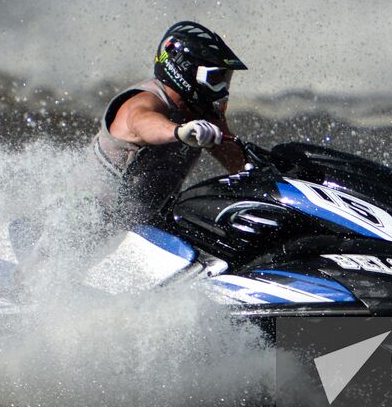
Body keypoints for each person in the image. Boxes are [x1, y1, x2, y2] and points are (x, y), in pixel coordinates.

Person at [15, 20, 248, 294]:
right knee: (78, 224)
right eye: (217, 78)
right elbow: (144, 124)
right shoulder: (142, 102)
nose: (224, 88)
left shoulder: (202, 115)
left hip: (147, 221)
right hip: (86, 214)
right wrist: (179, 131)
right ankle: (27, 293)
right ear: (185, 71)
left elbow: (240, 164)